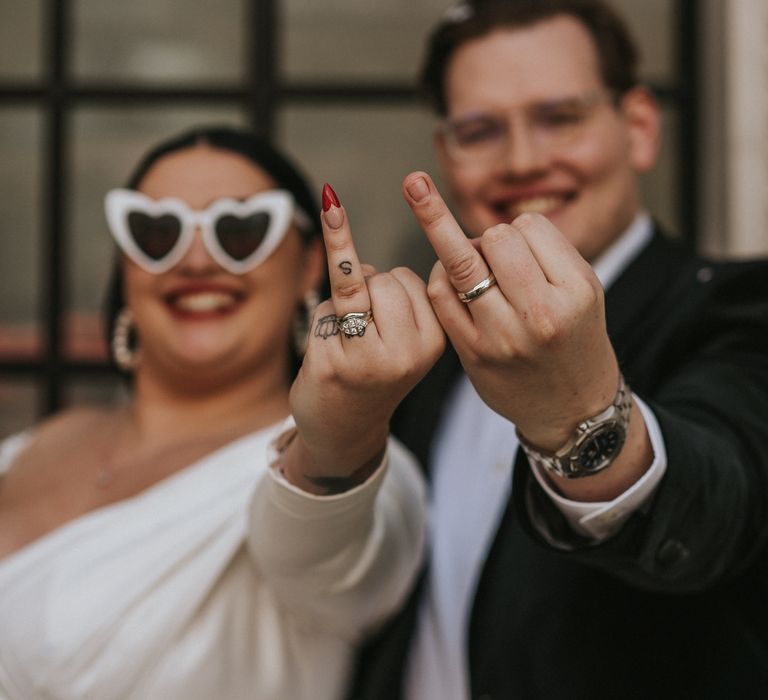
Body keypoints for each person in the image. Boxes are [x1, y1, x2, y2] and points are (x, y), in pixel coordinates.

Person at [348, 1, 768, 699]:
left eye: (559, 117)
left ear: (637, 128)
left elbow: (721, 505)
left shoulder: (737, 309)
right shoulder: (423, 352)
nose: (522, 161)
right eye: (480, 131)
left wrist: (583, 413)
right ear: (447, 154)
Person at [0, 125, 444, 700]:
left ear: (309, 264)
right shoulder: (32, 444)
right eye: (155, 231)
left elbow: (339, 556)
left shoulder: (360, 469)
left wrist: (342, 428)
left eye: (241, 230)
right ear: (126, 265)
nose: (196, 259)